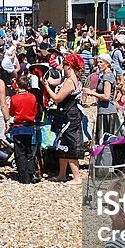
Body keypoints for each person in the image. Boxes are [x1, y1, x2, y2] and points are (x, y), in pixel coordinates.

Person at [45, 54, 84, 184]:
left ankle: (77, 177)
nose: (63, 67)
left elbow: (57, 98)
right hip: (66, 114)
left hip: (69, 115)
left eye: (65, 64)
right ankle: (62, 174)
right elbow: (53, 81)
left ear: (69, 66)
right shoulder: (69, 78)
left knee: (70, 143)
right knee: (61, 143)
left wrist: (46, 88)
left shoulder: (70, 81)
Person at [84, 54, 120, 145]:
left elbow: (106, 96)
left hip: (107, 113)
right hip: (103, 111)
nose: (98, 64)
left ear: (107, 64)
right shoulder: (104, 76)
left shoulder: (107, 77)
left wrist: (91, 93)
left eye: (101, 62)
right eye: (98, 62)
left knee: (105, 142)